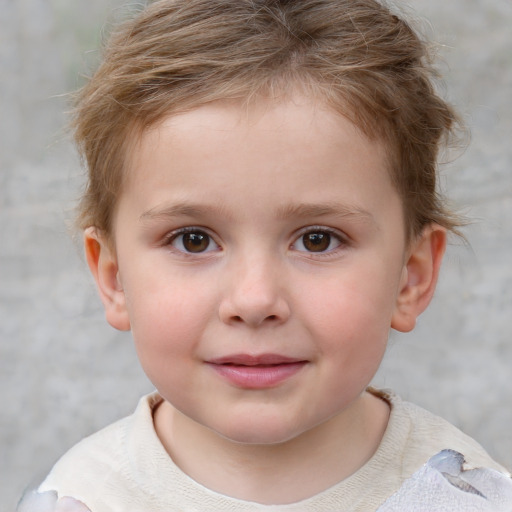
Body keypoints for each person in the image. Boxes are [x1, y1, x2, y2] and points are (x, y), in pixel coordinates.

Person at [27, 0, 511, 510]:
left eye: (317, 239)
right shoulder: (79, 500)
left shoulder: (470, 499)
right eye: (193, 239)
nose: (255, 300)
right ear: (114, 277)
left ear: (410, 278)